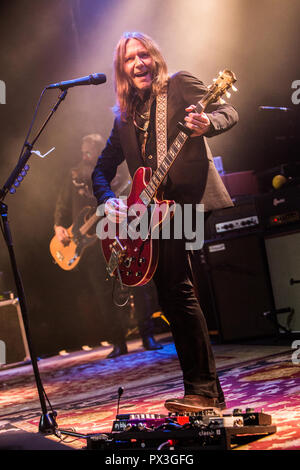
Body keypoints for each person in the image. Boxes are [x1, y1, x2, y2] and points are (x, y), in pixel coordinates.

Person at [92, 32, 238, 412]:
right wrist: (109, 203)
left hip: (186, 204)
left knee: (178, 291)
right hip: (151, 214)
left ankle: (203, 390)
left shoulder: (179, 85)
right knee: (173, 296)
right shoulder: (123, 117)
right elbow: (101, 171)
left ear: (154, 57)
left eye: (144, 55)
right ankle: (206, 391)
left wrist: (208, 122)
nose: (138, 63)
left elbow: (228, 112)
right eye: (130, 59)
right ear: (122, 70)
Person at [54, 133, 163, 358]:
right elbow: (62, 204)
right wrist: (58, 226)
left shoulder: (117, 171)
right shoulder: (74, 174)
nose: (86, 153)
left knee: (136, 283)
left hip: (119, 235)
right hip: (89, 244)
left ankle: (147, 335)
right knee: (103, 292)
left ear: (99, 150)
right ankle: (117, 342)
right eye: (84, 149)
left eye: (90, 149)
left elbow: (131, 194)